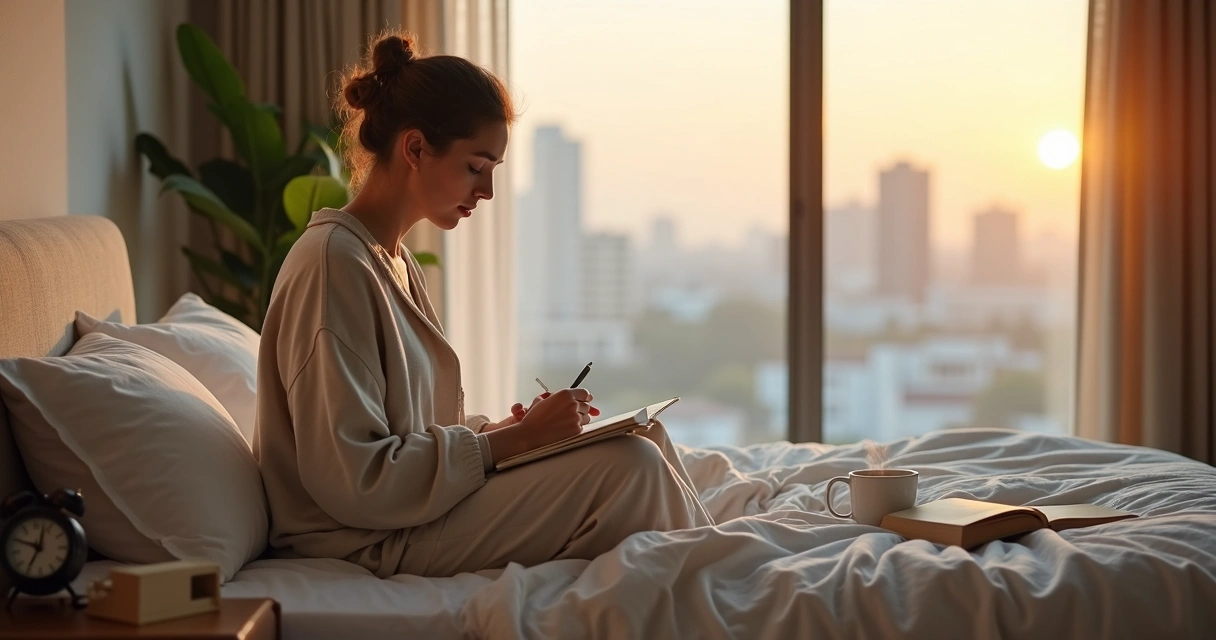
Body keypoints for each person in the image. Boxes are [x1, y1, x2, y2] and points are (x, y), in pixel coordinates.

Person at [254, 30, 714, 579]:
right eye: (477, 167)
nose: (488, 192)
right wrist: (515, 442)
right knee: (630, 469)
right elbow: (356, 480)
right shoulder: (334, 266)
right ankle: (708, 590)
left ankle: (709, 575)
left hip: (407, 512)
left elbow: (417, 431)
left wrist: (497, 433)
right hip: (358, 537)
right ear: (416, 149)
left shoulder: (391, 261)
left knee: (642, 438)